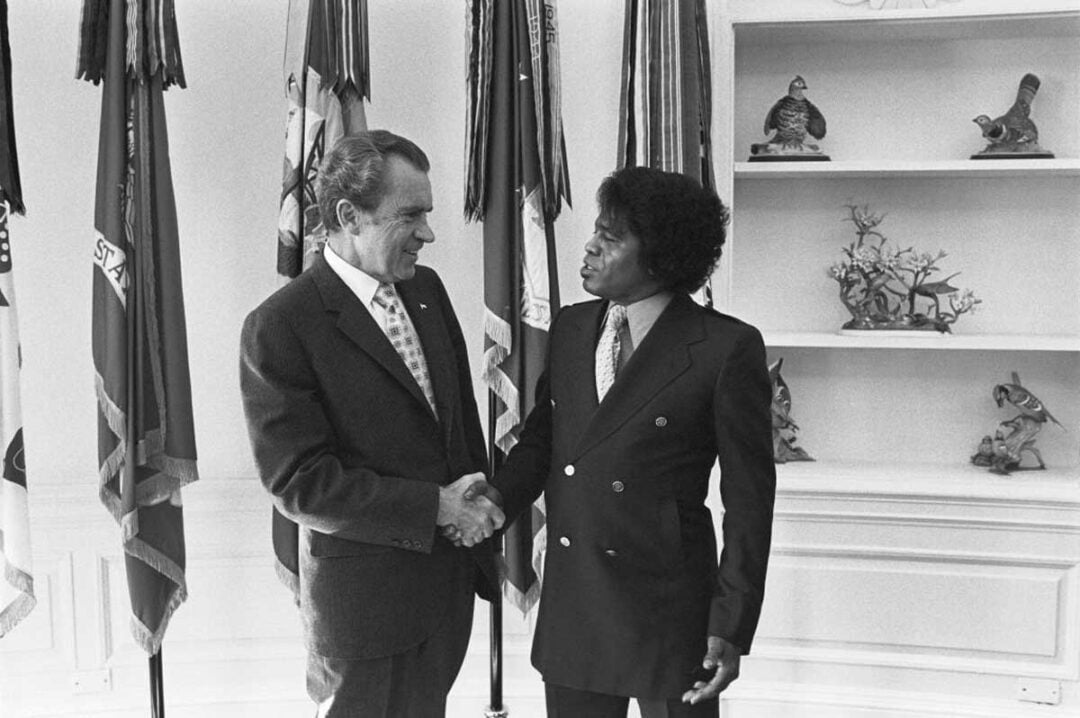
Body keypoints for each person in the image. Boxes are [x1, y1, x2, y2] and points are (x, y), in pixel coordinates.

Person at [483, 165, 776, 717]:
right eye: (597, 230)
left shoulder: (724, 347)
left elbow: (749, 501)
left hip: (671, 611)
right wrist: (495, 501)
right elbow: (543, 445)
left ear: (660, 256)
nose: (590, 247)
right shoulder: (570, 328)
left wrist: (732, 624)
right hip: (576, 603)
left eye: (611, 237)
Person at [239, 130, 504, 717]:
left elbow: (455, 422)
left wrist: (475, 512)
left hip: (447, 591)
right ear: (347, 215)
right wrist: (437, 506)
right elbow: (299, 482)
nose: (428, 233)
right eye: (410, 215)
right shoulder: (281, 325)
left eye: (427, 214)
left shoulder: (426, 289)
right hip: (366, 617)